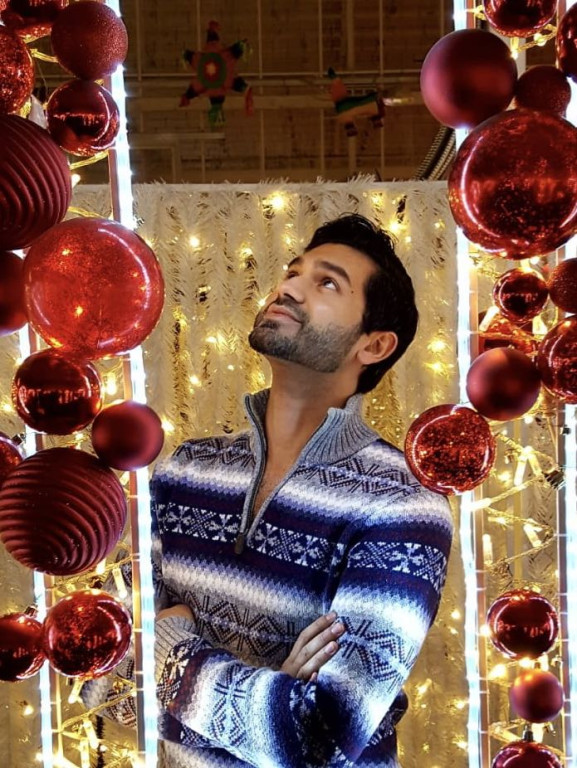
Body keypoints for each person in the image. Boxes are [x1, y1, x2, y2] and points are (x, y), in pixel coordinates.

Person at [102, 213, 453, 768]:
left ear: (374, 345)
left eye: (327, 282)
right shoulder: (185, 471)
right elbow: (106, 684)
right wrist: (272, 702)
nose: (288, 287)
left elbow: (319, 737)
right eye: (293, 272)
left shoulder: (404, 503)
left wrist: (169, 647)